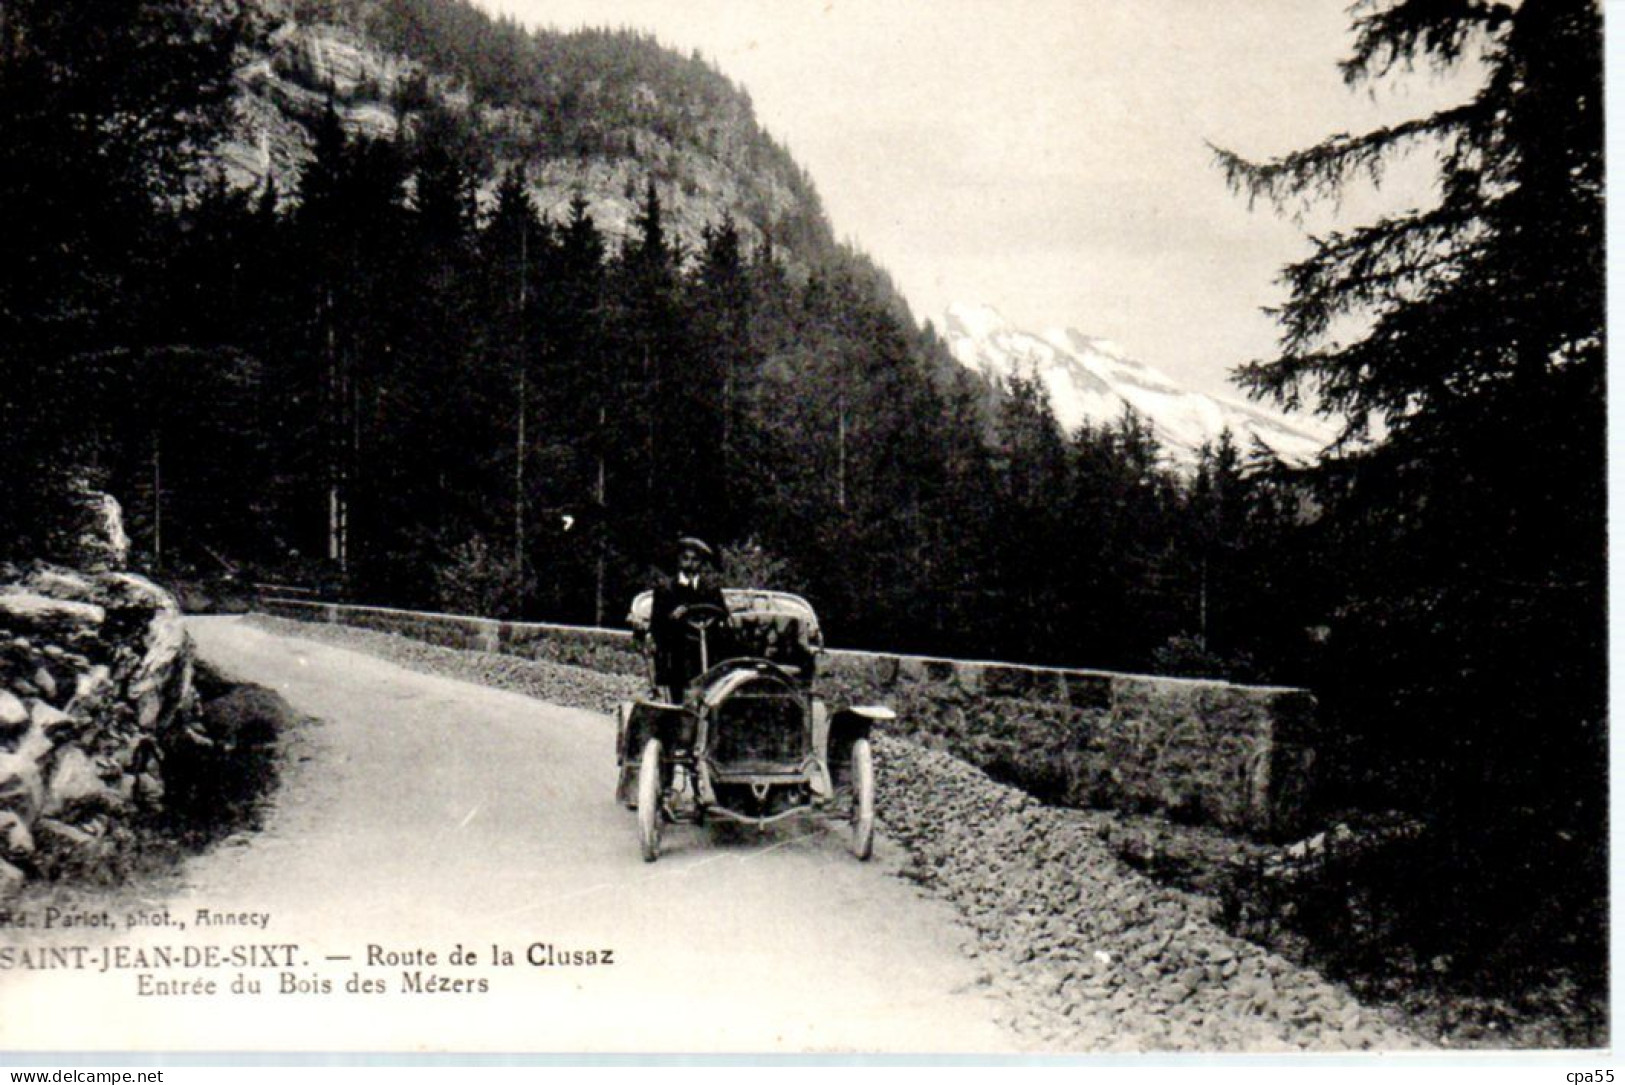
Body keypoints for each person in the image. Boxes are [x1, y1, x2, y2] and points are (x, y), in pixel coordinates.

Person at [649, 536, 727, 700]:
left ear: (701, 563)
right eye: (686, 558)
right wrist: (673, 616)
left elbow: (723, 614)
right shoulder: (666, 590)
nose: (690, 563)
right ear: (679, 560)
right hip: (677, 649)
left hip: (707, 645)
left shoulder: (710, 589)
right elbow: (657, 625)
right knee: (677, 658)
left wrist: (712, 618)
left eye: (695, 559)